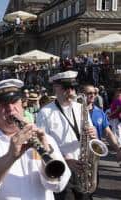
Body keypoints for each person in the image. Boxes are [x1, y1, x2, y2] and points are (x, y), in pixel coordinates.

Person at [0, 79, 71, 200]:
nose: (10, 109)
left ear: (22, 105)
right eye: (2, 105)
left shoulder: (45, 138)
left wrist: (47, 151)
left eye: (14, 102)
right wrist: (11, 156)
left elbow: (59, 185)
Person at [36, 71, 97, 200]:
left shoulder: (81, 107)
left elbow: (92, 137)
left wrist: (94, 135)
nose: (70, 92)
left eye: (73, 88)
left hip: (84, 167)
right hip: (62, 169)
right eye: (66, 88)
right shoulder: (45, 113)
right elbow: (42, 145)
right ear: (56, 88)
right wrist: (65, 159)